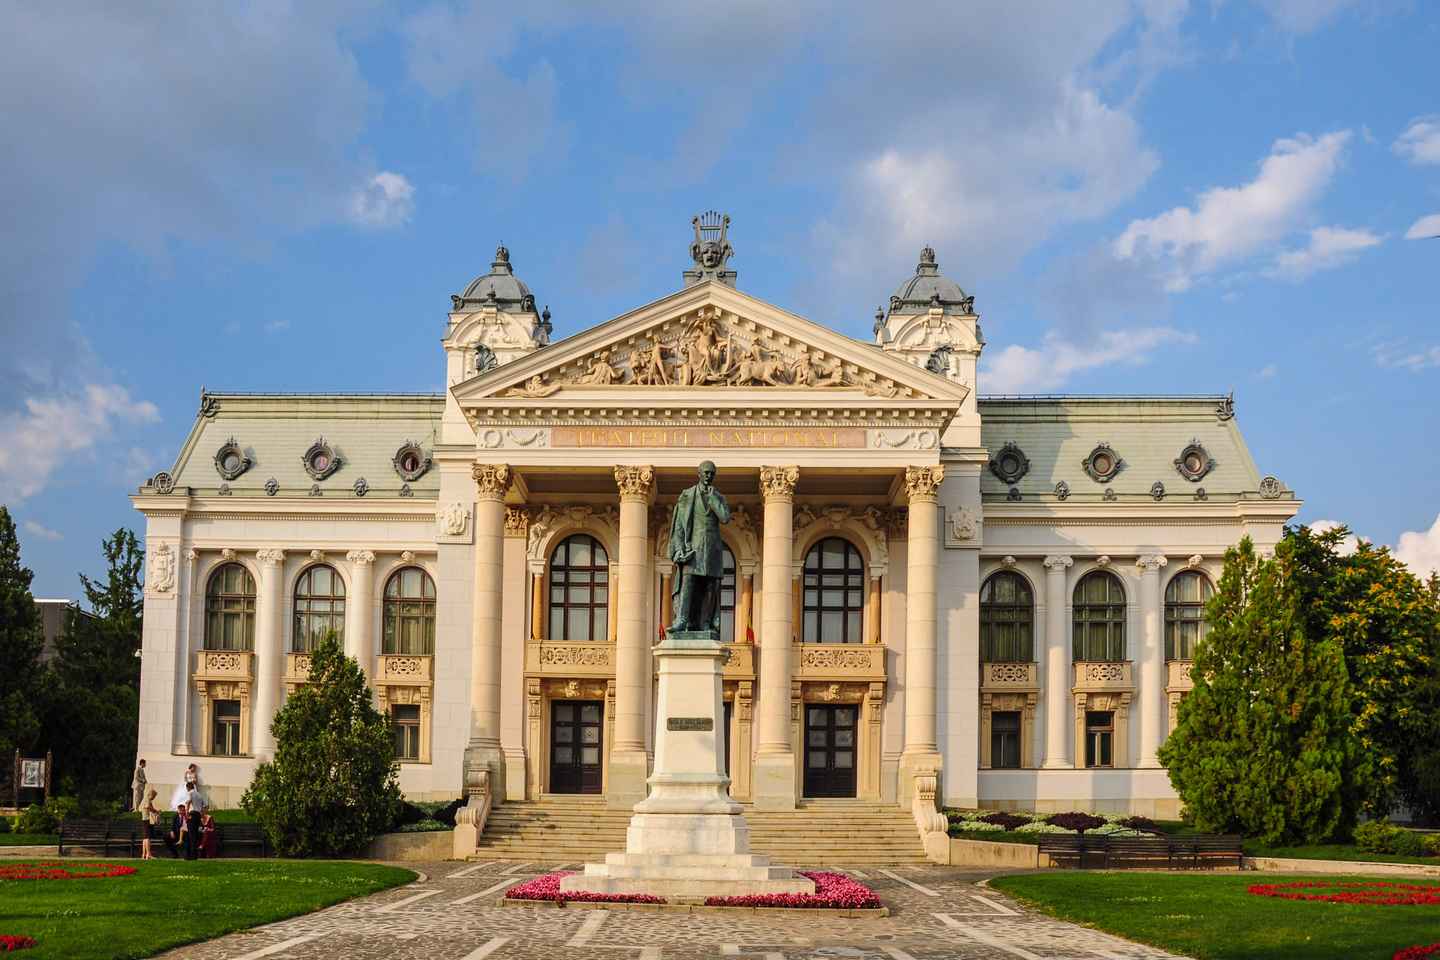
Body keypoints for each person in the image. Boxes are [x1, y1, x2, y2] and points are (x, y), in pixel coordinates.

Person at [667, 460, 732, 634]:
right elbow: (679, 525)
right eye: (706, 472)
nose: (708, 476)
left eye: (711, 473)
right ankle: (682, 620)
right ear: (699, 474)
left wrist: (713, 500)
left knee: (710, 587)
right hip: (692, 549)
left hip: (712, 549)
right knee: (688, 584)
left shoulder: (719, 497)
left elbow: (725, 518)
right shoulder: (687, 496)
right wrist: (679, 549)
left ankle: (705, 622)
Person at [184, 780, 203, 860]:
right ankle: (193, 855)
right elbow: (203, 805)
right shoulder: (199, 794)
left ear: (188, 787)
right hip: (198, 815)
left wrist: (187, 814)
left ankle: (191, 855)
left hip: (192, 814)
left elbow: (188, 802)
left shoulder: (190, 793)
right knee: (194, 835)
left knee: (191, 836)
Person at [140, 787, 161, 860]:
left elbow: (151, 809)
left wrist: (156, 811)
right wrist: (156, 811)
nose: (154, 798)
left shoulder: (147, 800)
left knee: (145, 838)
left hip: (145, 819)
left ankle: (144, 854)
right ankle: (148, 854)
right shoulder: (148, 800)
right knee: (147, 838)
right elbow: (148, 807)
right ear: (151, 795)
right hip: (146, 819)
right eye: (154, 796)